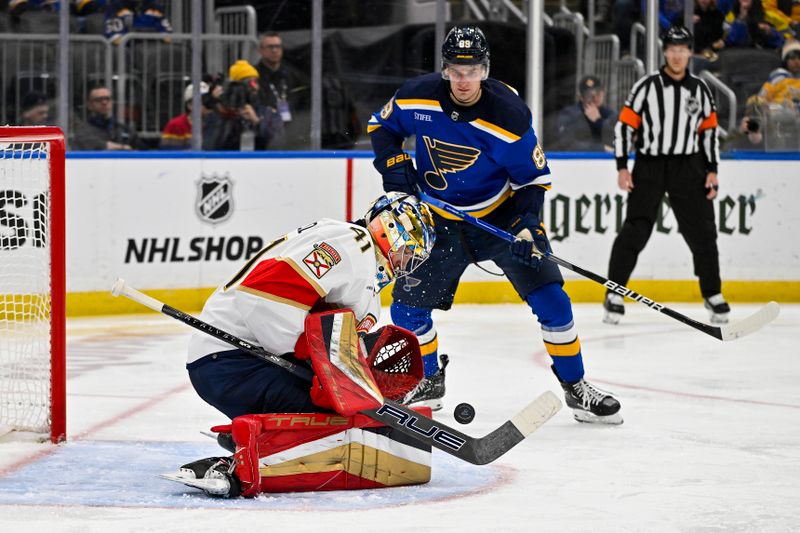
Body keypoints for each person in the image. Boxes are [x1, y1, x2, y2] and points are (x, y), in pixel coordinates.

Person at [367, 25, 622, 425]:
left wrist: (526, 225)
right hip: (438, 220)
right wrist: (394, 162)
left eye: (472, 70)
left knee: (553, 300)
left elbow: (532, 181)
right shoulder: (416, 95)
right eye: (455, 69)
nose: (463, 79)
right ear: (445, 69)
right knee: (407, 307)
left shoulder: (508, 115)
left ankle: (576, 388)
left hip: (500, 217)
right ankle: (428, 380)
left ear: (485, 70)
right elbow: (381, 127)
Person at [176, 193, 436, 497]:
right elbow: (262, 294)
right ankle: (239, 463)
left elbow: (329, 331)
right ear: (388, 228)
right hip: (231, 360)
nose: (406, 263)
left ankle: (255, 436)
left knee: (347, 413)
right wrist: (312, 357)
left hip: (241, 362)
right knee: (340, 423)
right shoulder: (350, 245)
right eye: (406, 251)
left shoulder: (362, 271)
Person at [606, 25, 730, 326]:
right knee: (636, 228)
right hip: (650, 165)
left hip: (689, 166)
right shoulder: (646, 86)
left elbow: (709, 132)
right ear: (665, 52)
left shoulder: (700, 89)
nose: (677, 55)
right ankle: (614, 292)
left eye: (682, 50)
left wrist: (712, 169)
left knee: (703, 231)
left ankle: (712, 293)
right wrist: (622, 165)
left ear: (689, 52)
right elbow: (625, 126)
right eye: (672, 50)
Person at [254, 32, 307, 145]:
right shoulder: (253, 75)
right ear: (260, 50)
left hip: (292, 133)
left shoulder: (293, 74)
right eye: (270, 47)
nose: (274, 50)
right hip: (263, 136)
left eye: (278, 46)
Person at [554, 75, 617, 152]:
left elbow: (619, 139)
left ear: (603, 93)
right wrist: (602, 149)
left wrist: (598, 121)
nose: (595, 98)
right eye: (589, 95)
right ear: (581, 97)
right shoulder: (569, 115)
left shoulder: (610, 115)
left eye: (598, 93)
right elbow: (567, 143)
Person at [71, 84, 140, 150]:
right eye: (99, 99)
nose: (104, 102)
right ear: (89, 105)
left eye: (107, 99)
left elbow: (141, 152)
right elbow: (96, 146)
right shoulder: (82, 130)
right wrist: (123, 148)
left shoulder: (124, 129)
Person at [159, 82, 219, 150]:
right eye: (203, 100)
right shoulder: (176, 125)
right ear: (190, 105)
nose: (208, 103)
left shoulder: (217, 125)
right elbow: (168, 155)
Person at [103, 0, 172, 44]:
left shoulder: (156, 7)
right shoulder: (115, 7)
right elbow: (117, 39)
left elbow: (168, 38)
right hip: (127, 53)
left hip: (153, 53)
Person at [758, 39, 800, 107]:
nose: (797, 62)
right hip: (778, 114)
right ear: (785, 61)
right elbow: (762, 98)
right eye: (792, 58)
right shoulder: (778, 78)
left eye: (799, 58)